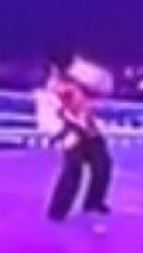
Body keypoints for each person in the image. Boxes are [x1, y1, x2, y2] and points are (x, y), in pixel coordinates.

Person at [42, 53, 113, 221]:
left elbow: (104, 86)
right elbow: (51, 112)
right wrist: (62, 133)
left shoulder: (81, 79)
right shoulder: (52, 87)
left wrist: (81, 71)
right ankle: (57, 212)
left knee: (103, 164)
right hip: (70, 129)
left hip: (88, 127)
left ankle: (94, 202)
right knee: (73, 169)